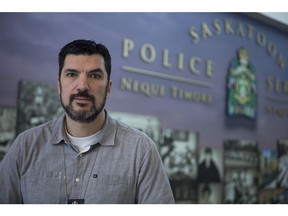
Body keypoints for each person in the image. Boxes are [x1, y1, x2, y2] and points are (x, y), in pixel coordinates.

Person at [0, 39, 175, 204]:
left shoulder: (140, 150)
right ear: (59, 86)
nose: (82, 86)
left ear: (108, 88)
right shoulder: (26, 146)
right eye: (71, 74)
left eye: (95, 76)